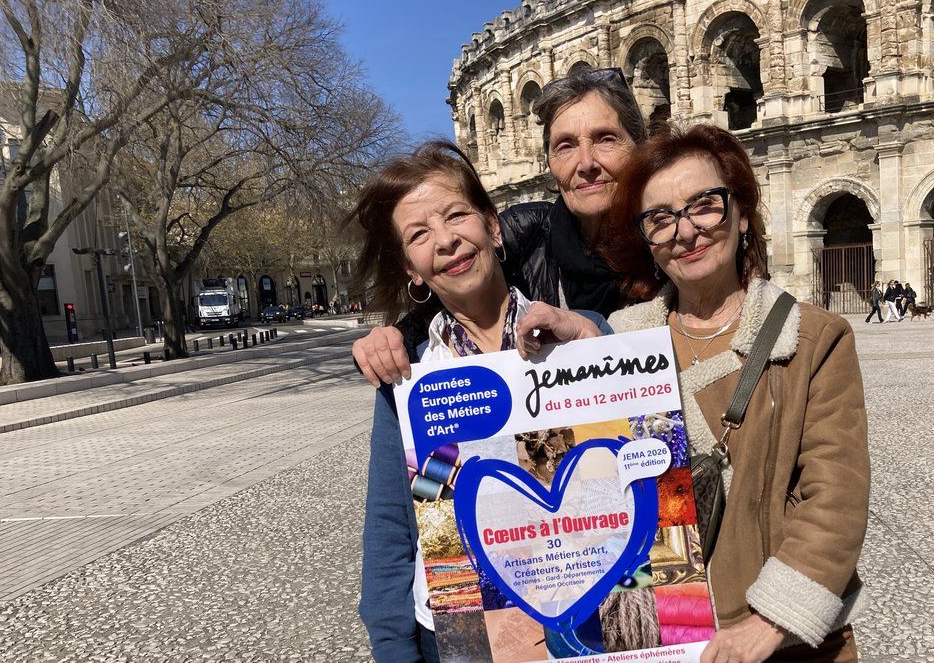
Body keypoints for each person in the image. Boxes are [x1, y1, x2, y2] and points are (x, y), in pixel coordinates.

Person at [599, 123, 869, 662]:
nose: (685, 230)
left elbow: (835, 495)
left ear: (742, 214)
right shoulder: (619, 346)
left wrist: (771, 623)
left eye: (705, 204)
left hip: (775, 643)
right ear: (647, 241)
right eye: (660, 218)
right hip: (661, 638)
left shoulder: (814, 338)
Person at [345, 141, 604, 663]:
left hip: (581, 612)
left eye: (456, 215)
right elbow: (393, 524)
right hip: (457, 632)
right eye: (419, 234)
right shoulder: (411, 376)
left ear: (492, 226)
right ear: (412, 269)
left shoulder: (580, 340)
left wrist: (592, 342)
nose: (445, 241)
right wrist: (392, 646)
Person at [352, 67, 648, 386]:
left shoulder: (674, 236)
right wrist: (389, 343)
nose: (586, 163)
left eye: (605, 138)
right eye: (565, 146)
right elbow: (454, 285)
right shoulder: (528, 231)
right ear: (548, 162)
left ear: (640, 146)